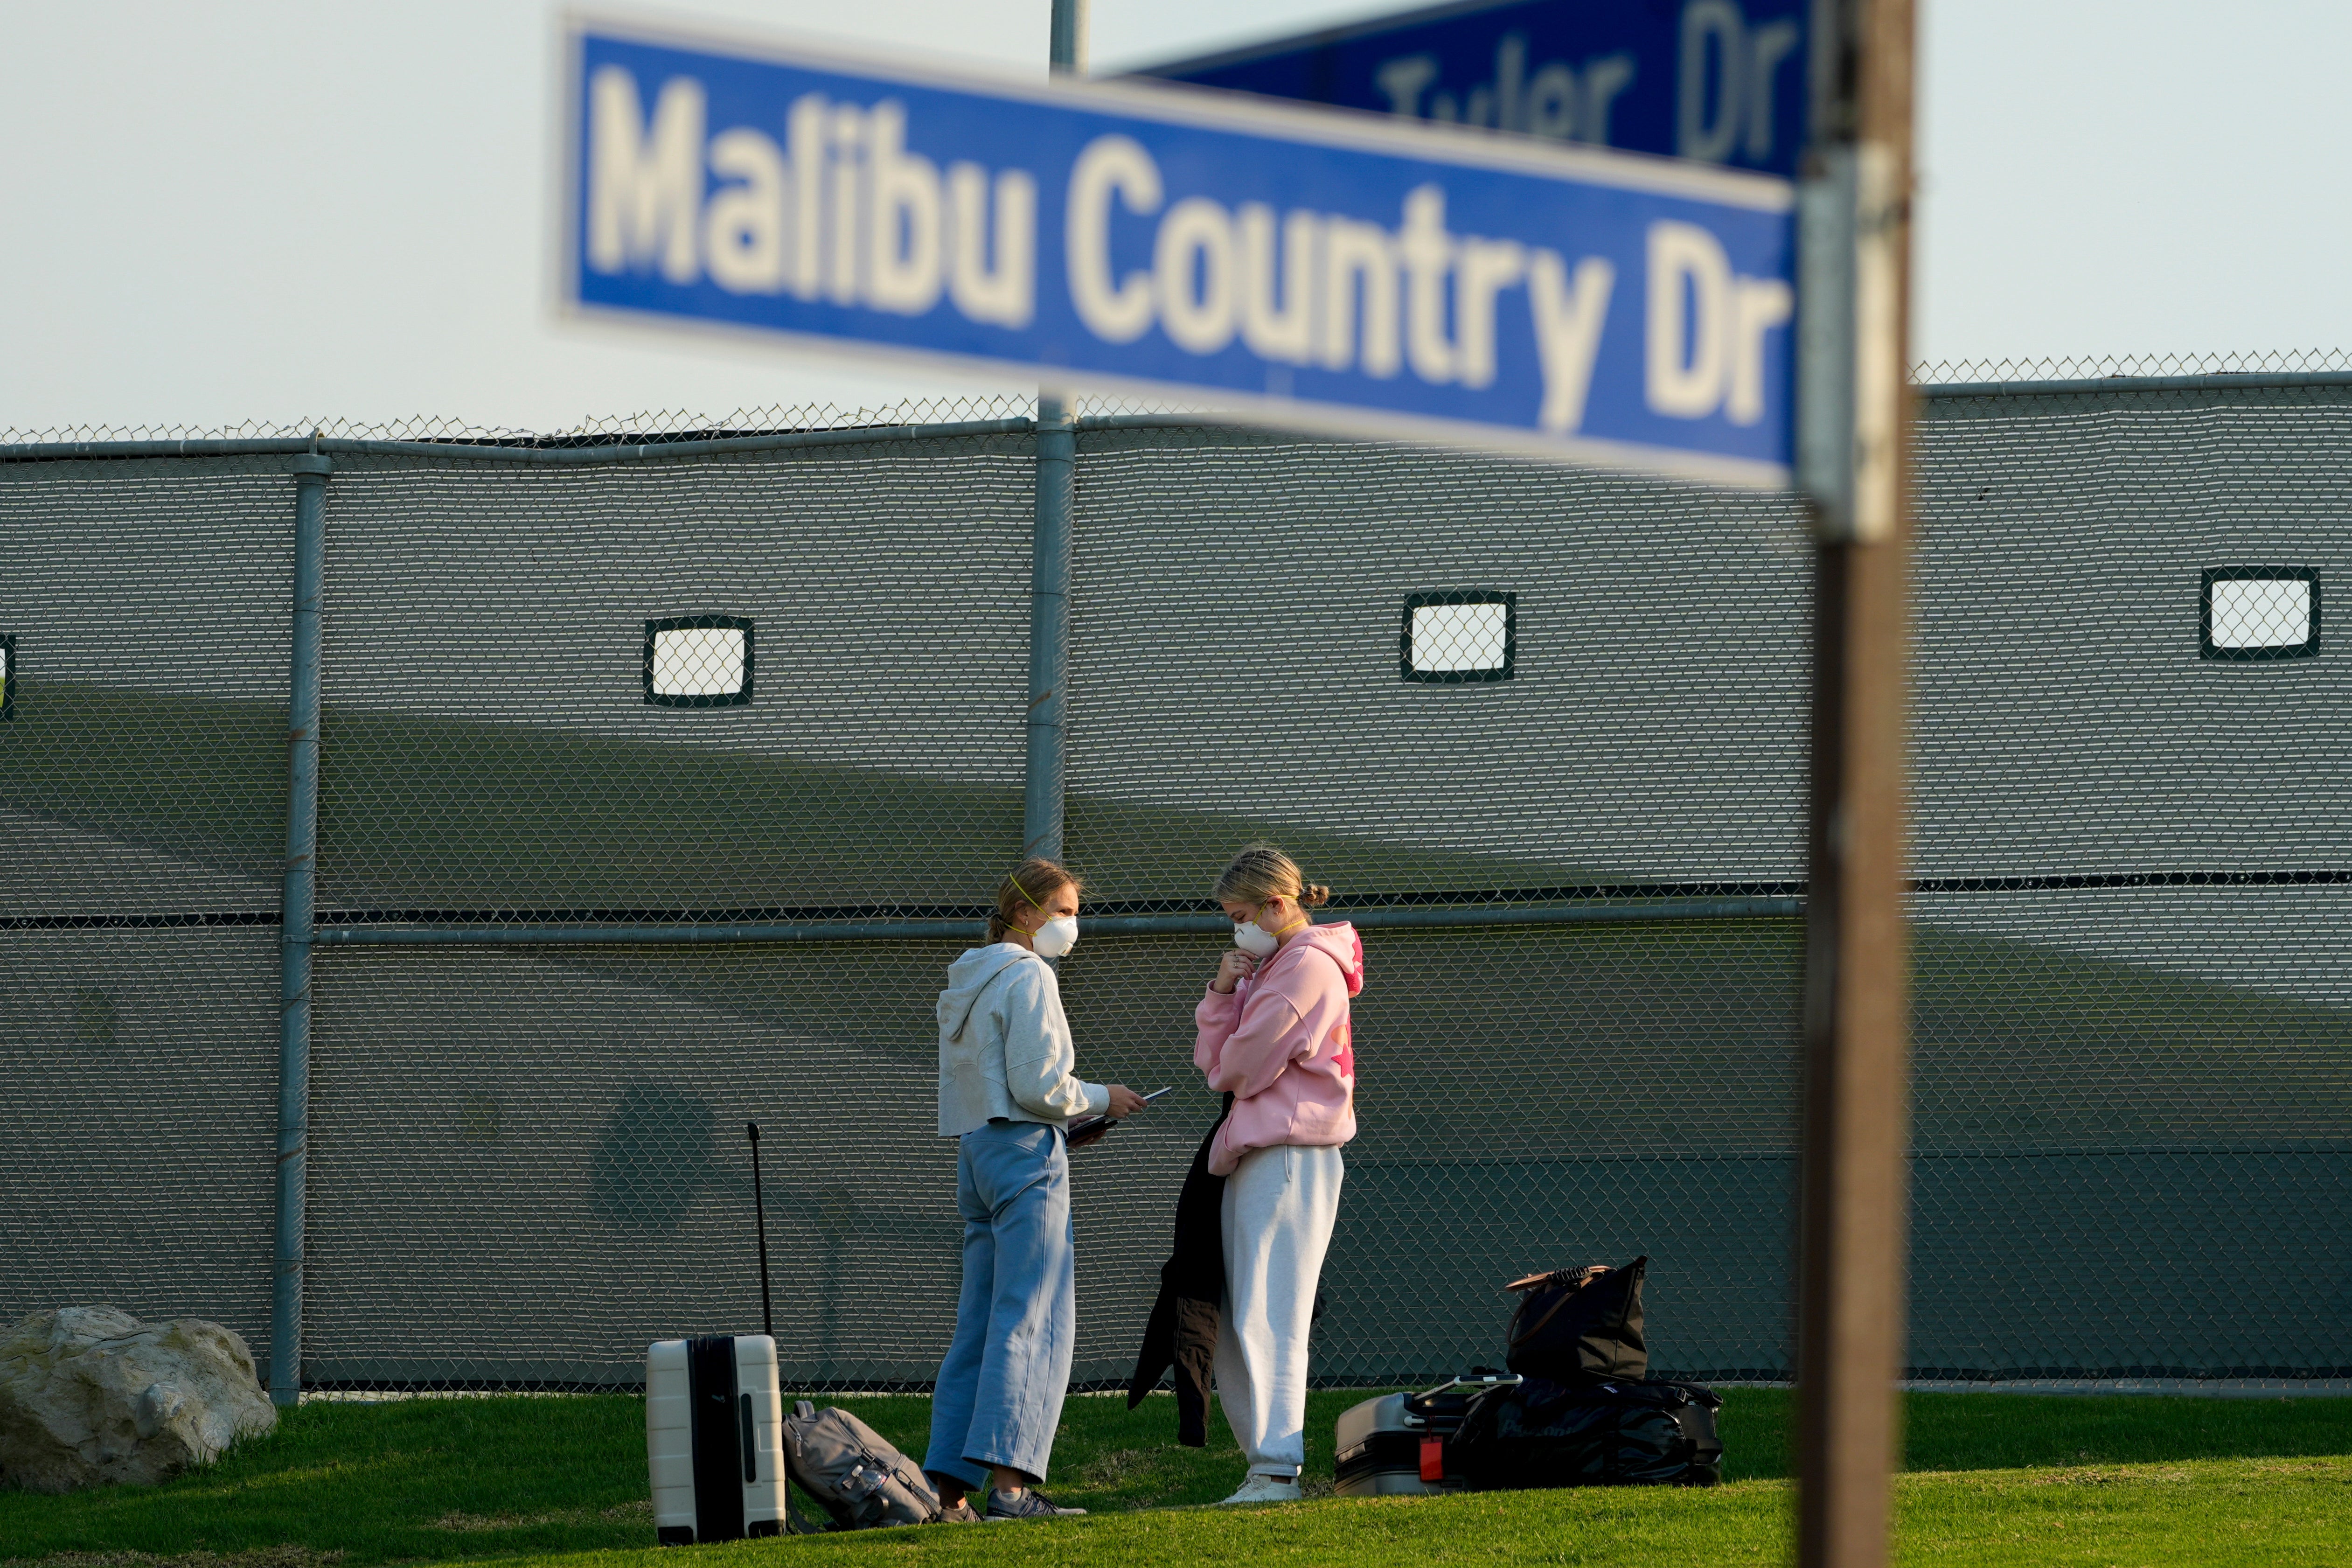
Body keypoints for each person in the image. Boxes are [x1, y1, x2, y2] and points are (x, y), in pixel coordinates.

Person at [924, 857, 1148, 1522]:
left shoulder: (971, 974)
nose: (1072, 925)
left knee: (980, 1320)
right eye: (1066, 910)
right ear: (1026, 912)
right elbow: (1039, 1086)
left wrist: (1068, 1122)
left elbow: (994, 1083)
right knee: (1035, 1315)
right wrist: (1104, 1097)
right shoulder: (1029, 974)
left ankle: (948, 1489)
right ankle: (1012, 1490)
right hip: (1025, 1153)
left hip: (977, 1151)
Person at [1194, 843, 1361, 1505]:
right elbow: (1217, 1060)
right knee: (1247, 1308)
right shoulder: (1273, 967)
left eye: (1241, 913)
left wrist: (1228, 1045)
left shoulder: (1304, 967)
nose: (1237, 927)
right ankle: (1265, 1466)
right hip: (1262, 1147)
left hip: (1291, 1151)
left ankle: (1276, 1466)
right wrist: (1221, 990)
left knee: (1273, 1309)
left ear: (1276, 902)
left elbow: (1235, 1068)